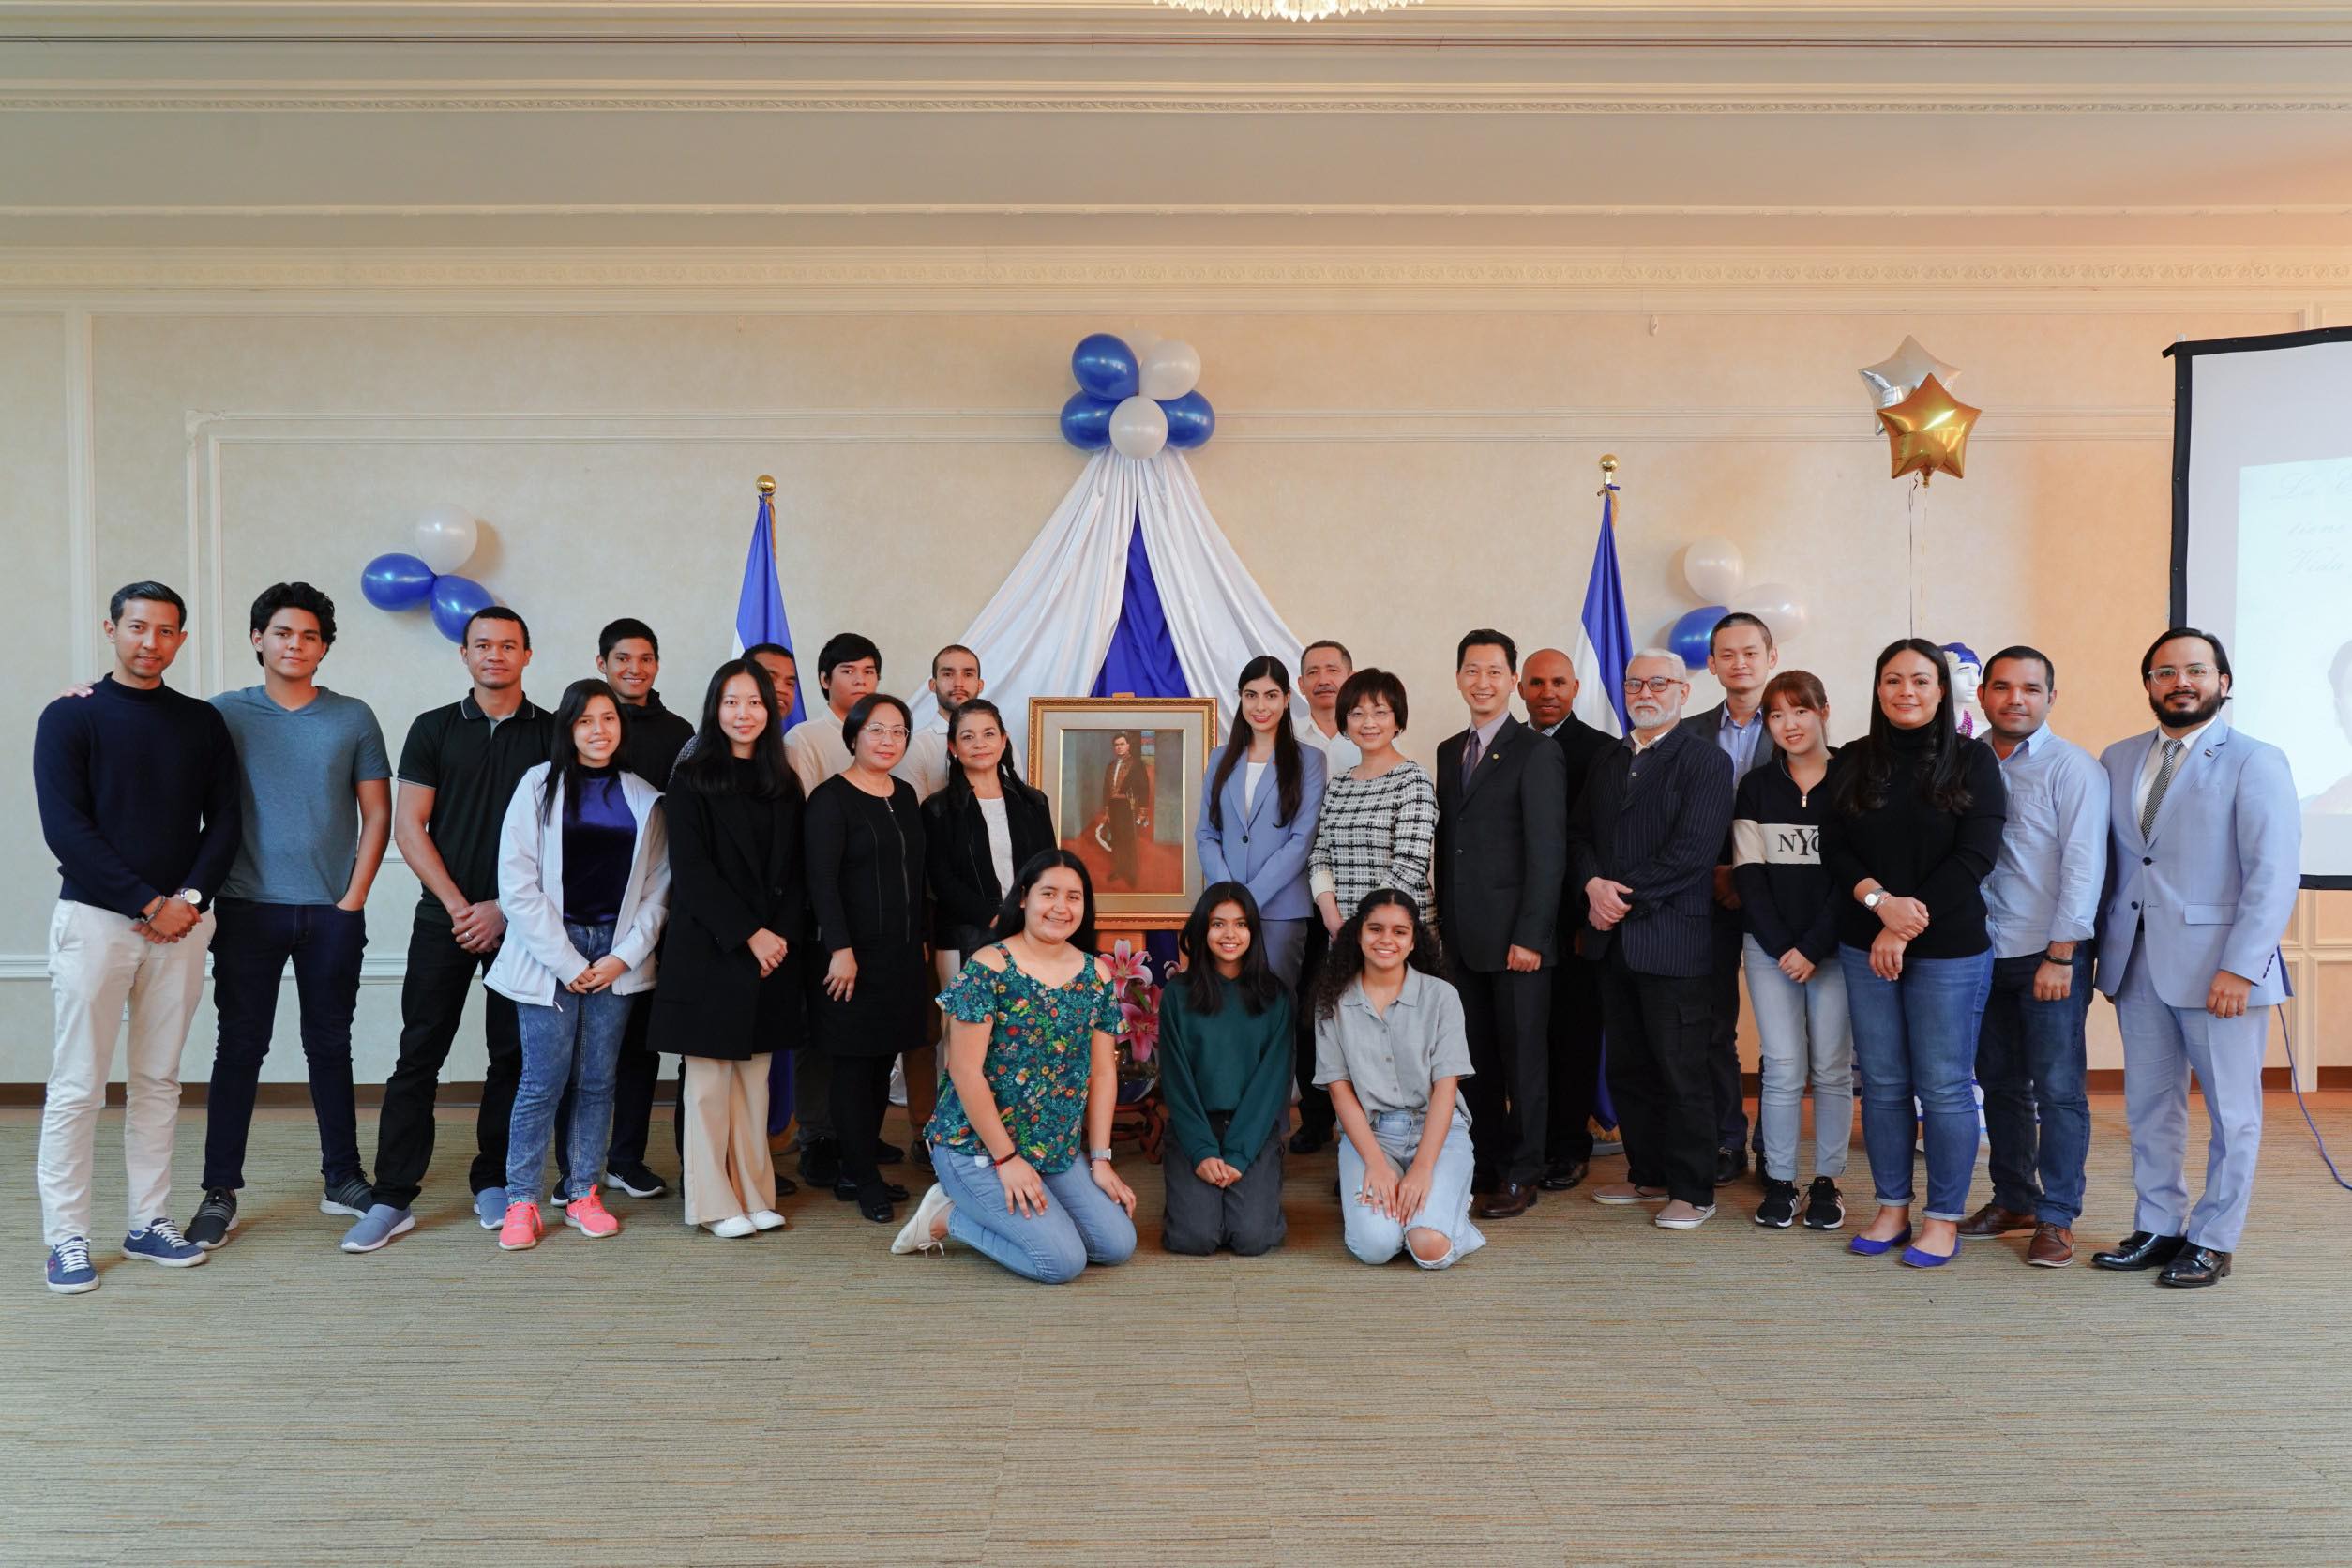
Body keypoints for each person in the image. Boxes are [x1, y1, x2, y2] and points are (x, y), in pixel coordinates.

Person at [35, 581, 240, 1292]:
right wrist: (147, 902)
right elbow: (67, 830)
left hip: (182, 925)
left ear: (181, 639)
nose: (151, 642)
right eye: (138, 627)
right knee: (78, 1085)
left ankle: (149, 1221)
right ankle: (66, 1238)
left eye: (166, 631)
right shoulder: (70, 716)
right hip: (95, 921)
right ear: (112, 630)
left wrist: (187, 901)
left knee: (158, 1080)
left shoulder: (201, 722)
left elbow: (226, 822)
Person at [2091, 627, 2299, 1289]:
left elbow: (2273, 873)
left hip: (2221, 970)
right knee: (2150, 1107)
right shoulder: (2118, 758)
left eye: (2196, 670)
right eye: (2165, 671)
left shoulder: (2256, 760)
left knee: (2233, 1114)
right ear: (2149, 684)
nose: (2181, 681)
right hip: (2136, 962)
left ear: (2222, 682)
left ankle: (2214, 1239)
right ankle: (2159, 1225)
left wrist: (2241, 966)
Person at [343, 606, 553, 1252]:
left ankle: (495, 1181)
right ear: (464, 654)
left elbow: (558, 838)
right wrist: (464, 907)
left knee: (512, 1058)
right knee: (418, 1054)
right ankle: (392, 1196)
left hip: (522, 923)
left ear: (526, 655)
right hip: (444, 919)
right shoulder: (432, 727)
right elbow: (409, 827)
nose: (495, 654)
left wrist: (502, 909)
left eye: (509, 645)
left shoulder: (553, 732)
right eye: (483, 645)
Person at [190, 582, 391, 1251]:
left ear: (324, 647)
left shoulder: (353, 717)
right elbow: (157, 747)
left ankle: (343, 1177)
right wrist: (86, 697)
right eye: (282, 632)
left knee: (330, 1045)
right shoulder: (222, 714)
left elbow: (378, 812)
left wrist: (353, 899)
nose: (295, 645)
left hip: (331, 912)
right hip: (246, 908)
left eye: (309, 636)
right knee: (239, 1048)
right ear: (258, 639)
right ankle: (220, 1190)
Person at [1822, 638, 2007, 1269]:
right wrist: (1881, 906)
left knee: (1945, 1086)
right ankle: (1892, 1207)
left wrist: (1903, 926)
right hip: (1865, 942)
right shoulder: (1852, 759)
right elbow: (1835, 849)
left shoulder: (1974, 761)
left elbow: (1976, 856)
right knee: (1883, 1084)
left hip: (1948, 948)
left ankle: (1943, 1218)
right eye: (1894, 680)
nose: (1907, 691)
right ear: (1878, 689)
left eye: (1921, 680)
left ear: (1941, 690)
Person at [890, 851, 1138, 1283]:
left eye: (1074, 897)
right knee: (1061, 1263)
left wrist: (1101, 1159)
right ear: (1024, 898)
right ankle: (946, 1216)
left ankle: (1036, 1214)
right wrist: (1007, 1159)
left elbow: (1102, 1074)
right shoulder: (989, 967)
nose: (1061, 907)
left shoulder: (1095, 974)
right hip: (978, 1146)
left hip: (1052, 1149)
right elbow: (964, 1072)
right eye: (1049, 893)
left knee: (1117, 1244)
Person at [485, 680, 671, 1251]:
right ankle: (521, 1201)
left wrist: (620, 958)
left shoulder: (644, 797)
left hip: (615, 954)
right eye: (585, 720)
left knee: (596, 1081)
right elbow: (516, 884)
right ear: (568, 728)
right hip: (549, 950)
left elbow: (657, 890)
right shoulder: (537, 785)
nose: (598, 730)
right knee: (541, 1082)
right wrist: (567, 962)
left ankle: (583, 1191)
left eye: (608, 718)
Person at [1569, 649, 1736, 1231]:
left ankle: (1693, 1190)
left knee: (1680, 1070)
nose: (1645, 693)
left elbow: (1692, 854)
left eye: (1658, 683)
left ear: (1683, 692)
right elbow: (1579, 835)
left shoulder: (1706, 761)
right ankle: (1648, 1174)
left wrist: (1617, 898)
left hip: (1672, 941)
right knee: (1629, 1068)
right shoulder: (1609, 757)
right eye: (1635, 684)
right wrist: (1591, 885)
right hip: (1611, 943)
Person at [1958, 646, 2109, 1268]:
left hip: (2049, 952)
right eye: (2002, 687)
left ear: (2051, 697)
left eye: (2030, 688)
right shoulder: (1964, 763)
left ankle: (2057, 1216)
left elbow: (2084, 865)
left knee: (2058, 1089)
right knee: (1999, 1085)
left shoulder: (2073, 768)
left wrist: (2062, 954)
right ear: (1983, 696)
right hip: (1980, 951)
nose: (2014, 699)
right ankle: (2014, 1199)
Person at [650, 660, 804, 1238]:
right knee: (710, 1084)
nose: (744, 714)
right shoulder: (692, 778)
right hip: (710, 948)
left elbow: (796, 873)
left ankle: (754, 1194)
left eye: (755, 702)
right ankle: (713, 1203)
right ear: (715, 709)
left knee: (754, 1082)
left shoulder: (782, 781)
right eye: (732, 702)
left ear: (770, 710)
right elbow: (691, 872)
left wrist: (776, 938)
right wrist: (749, 935)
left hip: (771, 953)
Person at [554, 616, 694, 1205]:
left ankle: (626, 1158)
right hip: (576, 919)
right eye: (622, 659)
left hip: (650, 912)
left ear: (657, 664)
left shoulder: (681, 732)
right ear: (602, 664)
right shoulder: (579, 724)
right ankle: (570, 1167)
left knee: (639, 1045)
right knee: (573, 1053)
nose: (634, 669)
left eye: (645, 659)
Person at [1435, 629, 1566, 1220]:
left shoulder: (1536, 752)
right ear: (1458, 678)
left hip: (1518, 941)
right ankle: (1484, 1163)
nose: (1482, 682)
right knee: (1474, 1060)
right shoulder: (1448, 751)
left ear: (1513, 680)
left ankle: (1523, 1172)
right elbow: (1451, 846)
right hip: (1463, 938)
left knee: (1523, 1062)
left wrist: (1531, 936)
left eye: (1494, 671)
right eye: (1472, 670)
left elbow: (1548, 852)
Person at [1729, 671, 1851, 1231]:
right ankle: (1780, 1180)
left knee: (1830, 1068)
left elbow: (1851, 877)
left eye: (1800, 711)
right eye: (1776, 715)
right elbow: (1749, 876)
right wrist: (1784, 948)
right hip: (1770, 950)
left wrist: (1812, 947)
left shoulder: (1853, 779)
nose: (1789, 724)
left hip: (1835, 948)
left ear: (1823, 711)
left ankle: (1827, 1182)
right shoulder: (1756, 786)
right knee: (1781, 1066)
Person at [805, 692, 928, 1224]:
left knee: (883, 1060)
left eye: (898, 731)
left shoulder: (905, 794)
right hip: (850, 957)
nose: (888, 740)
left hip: (901, 955)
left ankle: (858, 1165)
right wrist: (839, 949)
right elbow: (821, 882)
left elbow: (915, 875)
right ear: (853, 736)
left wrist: (921, 939)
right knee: (854, 1065)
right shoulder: (829, 799)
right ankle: (862, 1176)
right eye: (876, 730)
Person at [1312, 888, 1484, 1270]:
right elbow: (1340, 1092)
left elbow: (1446, 1089)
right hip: (1371, 1136)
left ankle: (1444, 1217)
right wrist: (1376, 1164)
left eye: (1399, 931)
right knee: (1375, 1247)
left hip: (1438, 1133)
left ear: (1413, 941)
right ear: (1358, 934)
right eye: (1375, 929)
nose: (1386, 940)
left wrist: (1422, 1169)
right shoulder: (1332, 1002)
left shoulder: (1442, 997)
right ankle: (1420, 1214)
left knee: (1428, 1247)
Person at [779, 632, 885, 1189]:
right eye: (848, 671)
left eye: (869, 671)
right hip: (822, 903)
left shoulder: (886, 733)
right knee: (821, 1024)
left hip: (874, 907)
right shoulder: (805, 738)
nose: (860, 680)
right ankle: (817, 1135)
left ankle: (856, 1130)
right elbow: (803, 824)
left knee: (866, 1024)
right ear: (824, 680)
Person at [1518, 647, 1615, 1190]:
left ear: (1576, 688)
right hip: (1519, 921)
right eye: (1536, 683)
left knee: (1574, 1038)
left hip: (1577, 921)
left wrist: (1584, 919)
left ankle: (1570, 1146)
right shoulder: (1507, 746)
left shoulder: (1602, 751)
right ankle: (1527, 1140)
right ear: (1521, 689)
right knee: (1524, 1040)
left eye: (1558, 682)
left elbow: (1597, 840)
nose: (1547, 692)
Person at [1156, 882, 1295, 1257]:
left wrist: (1238, 1155)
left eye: (1241, 924)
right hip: (1195, 1125)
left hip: (1252, 1128)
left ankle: (1257, 1190)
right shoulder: (1177, 995)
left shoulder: (1275, 996)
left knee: (1252, 1238)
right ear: (1203, 929)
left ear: (1254, 931)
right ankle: (1192, 1196)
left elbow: (1272, 1083)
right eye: (1218, 924)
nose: (1230, 934)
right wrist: (1202, 1151)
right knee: (1194, 1238)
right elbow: (1176, 1081)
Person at [1697, 611, 1781, 1185]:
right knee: (1713, 1026)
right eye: (1727, 654)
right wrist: (1717, 873)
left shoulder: (1798, 723)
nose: (1739, 663)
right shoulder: (1689, 730)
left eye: (1750, 652)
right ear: (1711, 664)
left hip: (1779, 896)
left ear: (1771, 657)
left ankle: (1775, 1144)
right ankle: (1727, 1138)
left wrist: (1747, 874)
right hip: (1707, 895)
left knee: (1782, 1033)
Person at [1195, 656, 1325, 990]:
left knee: (1275, 1004)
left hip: (1281, 910)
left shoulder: (1310, 760)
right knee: (1224, 1004)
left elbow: (1301, 841)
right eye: (1251, 695)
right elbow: (1206, 833)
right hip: (1222, 910)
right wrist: (1228, 896)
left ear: (1287, 699)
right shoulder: (1220, 758)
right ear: (1240, 698)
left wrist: (1248, 899)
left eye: (1271, 695)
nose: (1260, 706)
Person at [1285, 637, 1359, 1153]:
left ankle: (1365, 1118)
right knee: (1305, 1008)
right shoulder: (1285, 740)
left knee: (1358, 1008)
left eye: (1333, 669)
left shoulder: (1370, 734)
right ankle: (1315, 1118)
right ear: (1300, 684)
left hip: (1356, 893)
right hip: (1297, 893)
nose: (1324, 679)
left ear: (1349, 676)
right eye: (1313, 671)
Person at [922, 696, 1055, 963]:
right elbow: (941, 880)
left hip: (1029, 931)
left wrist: (1025, 915)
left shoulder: (1034, 802)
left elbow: (1049, 866)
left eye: (989, 734)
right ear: (953, 747)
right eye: (968, 737)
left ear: (1003, 741)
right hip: (964, 938)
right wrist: (994, 917)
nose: (979, 744)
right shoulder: (936, 808)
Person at [901, 642, 983, 803]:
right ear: (933, 685)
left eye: (968, 674)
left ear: (980, 685)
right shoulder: (914, 747)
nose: (958, 683)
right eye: (948, 674)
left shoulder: (1001, 743)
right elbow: (913, 813)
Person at [1097, 731, 1154, 890]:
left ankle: (1131, 874)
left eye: (1122, 744)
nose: (1119, 747)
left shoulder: (1137, 764)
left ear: (1128, 745)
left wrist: (1142, 812)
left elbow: (1144, 788)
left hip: (1129, 807)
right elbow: (1106, 789)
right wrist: (1106, 811)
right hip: (1114, 807)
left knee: (1129, 841)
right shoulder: (1110, 766)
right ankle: (1119, 870)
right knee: (1116, 840)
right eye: (1116, 745)